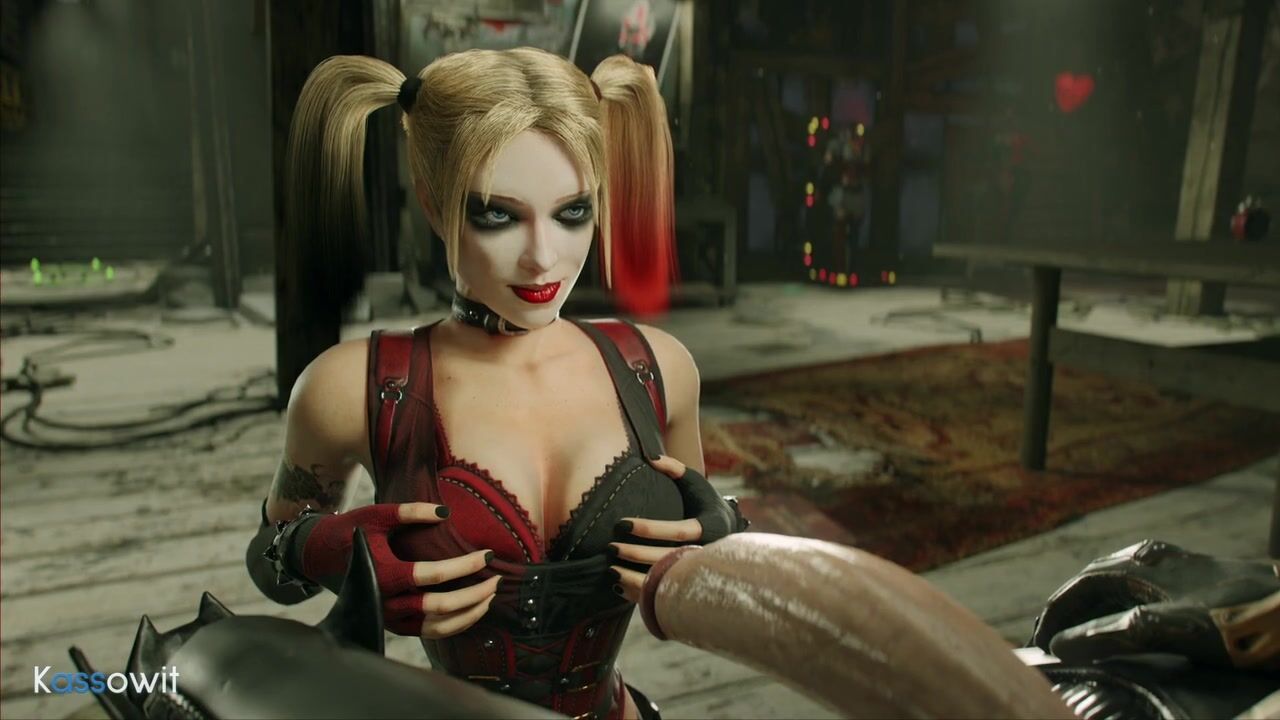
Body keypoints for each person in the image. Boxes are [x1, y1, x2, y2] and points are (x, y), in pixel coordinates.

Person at [244, 47, 747, 720]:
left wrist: (724, 530)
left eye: (573, 212)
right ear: (432, 202)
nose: (543, 256)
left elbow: (707, 560)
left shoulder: (659, 369)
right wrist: (314, 549)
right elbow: (273, 568)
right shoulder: (351, 387)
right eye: (497, 214)